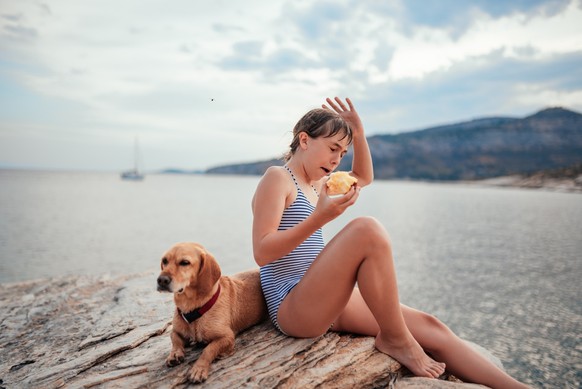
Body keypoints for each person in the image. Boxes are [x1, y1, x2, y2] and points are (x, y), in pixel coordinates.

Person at [251, 97, 529, 388]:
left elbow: (363, 177)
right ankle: (396, 339)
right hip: (294, 308)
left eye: (343, 153)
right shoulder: (278, 178)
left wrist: (359, 134)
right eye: (333, 148)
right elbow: (262, 251)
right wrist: (319, 220)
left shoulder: (319, 182)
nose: (337, 160)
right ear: (304, 140)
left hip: (324, 297)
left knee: (431, 327)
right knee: (366, 229)